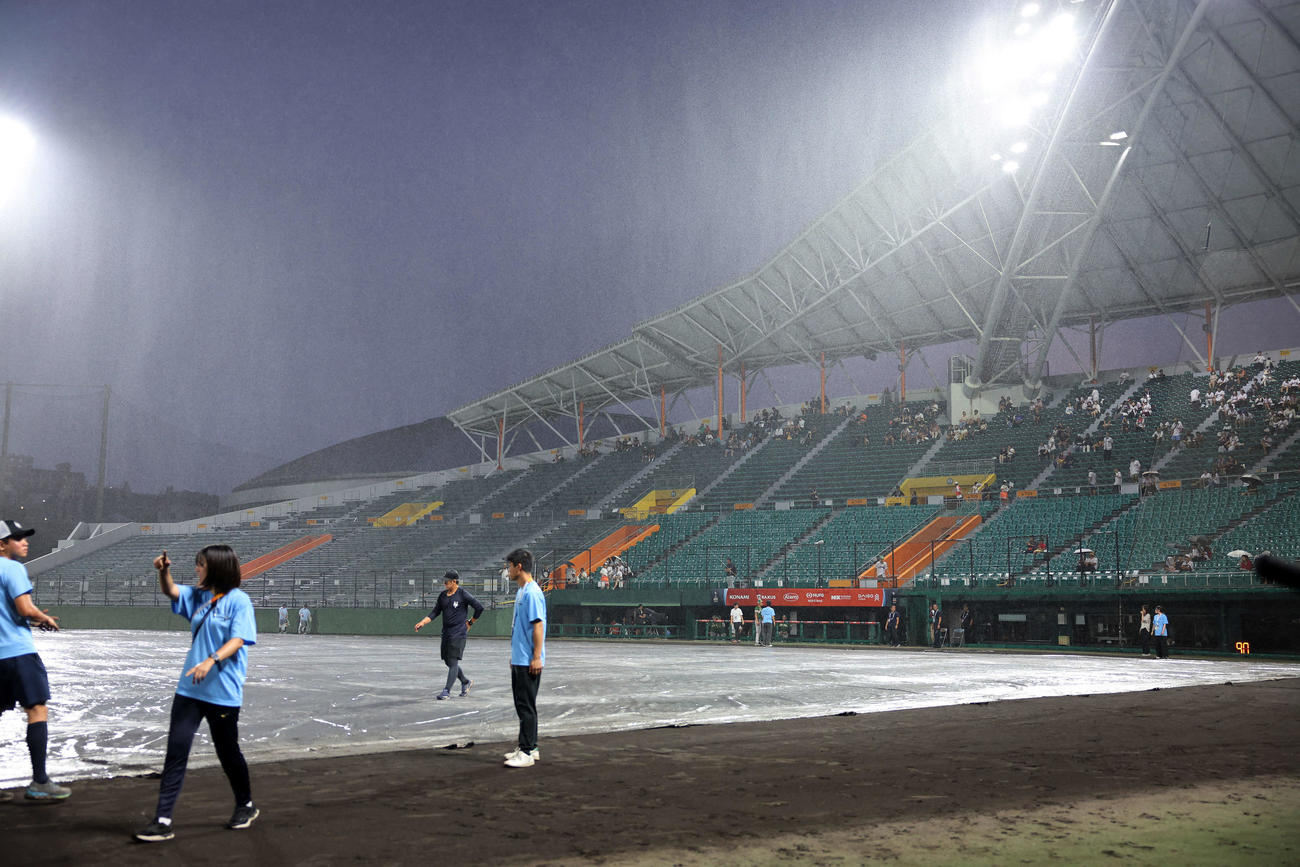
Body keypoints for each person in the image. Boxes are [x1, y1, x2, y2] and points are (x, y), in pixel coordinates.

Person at [135, 546, 258, 842]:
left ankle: (246, 804)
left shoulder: (239, 601)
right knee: (176, 752)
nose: (197, 569)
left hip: (223, 691)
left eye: (201, 565)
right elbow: (172, 592)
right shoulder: (199, 596)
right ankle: (162, 820)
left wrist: (211, 660)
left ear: (216, 567)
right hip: (189, 689)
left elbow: (239, 639)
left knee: (228, 753)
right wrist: (163, 571)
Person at [0, 520, 71, 802]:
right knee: (37, 709)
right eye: (16, 538)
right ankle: (40, 781)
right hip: (17, 654)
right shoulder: (13, 568)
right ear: (2, 544)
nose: (24, 542)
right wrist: (42, 618)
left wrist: (30, 618)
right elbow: (24, 608)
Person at [503, 548, 546, 768]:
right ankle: (529, 746)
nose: (507, 570)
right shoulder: (522, 591)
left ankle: (527, 752)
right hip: (520, 658)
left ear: (518, 566)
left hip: (528, 660)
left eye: (509, 566)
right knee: (524, 705)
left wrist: (536, 657)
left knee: (525, 706)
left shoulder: (532, 592)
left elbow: (538, 625)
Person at [414, 570, 483, 700]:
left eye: (447, 581)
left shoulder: (463, 594)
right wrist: (423, 622)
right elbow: (435, 612)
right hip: (446, 633)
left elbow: (479, 607)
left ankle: (446, 691)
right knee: (448, 661)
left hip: (459, 633)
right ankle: (465, 681)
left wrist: (471, 622)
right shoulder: (443, 596)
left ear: (454, 581)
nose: (444, 583)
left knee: (452, 661)